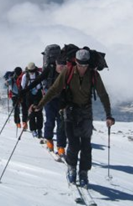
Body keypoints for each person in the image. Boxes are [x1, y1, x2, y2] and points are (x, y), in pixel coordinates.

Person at [30, 49, 115, 187]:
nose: (83, 68)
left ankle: (83, 173)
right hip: (70, 111)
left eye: (85, 65)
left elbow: (103, 95)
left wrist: (109, 115)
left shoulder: (93, 75)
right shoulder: (68, 72)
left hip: (86, 112)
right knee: (74, 144)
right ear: (76, 62)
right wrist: (40, 105)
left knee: (86, 146)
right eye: (80, 65)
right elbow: (54, 89)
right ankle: (72, 168)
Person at [26, 55, 67, 156]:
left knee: (60, 123)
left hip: (61, 101)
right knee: (52, 121)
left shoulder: (67, 72)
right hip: (51, 99)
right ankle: (51, 141)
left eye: (63, 65)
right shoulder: (50, 70)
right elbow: (39, 80)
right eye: (60, 65)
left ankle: (58, 145)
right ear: (56, 63)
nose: (61, 67)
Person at [20, 62, 44, 138]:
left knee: (38, 112)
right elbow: (23, 86)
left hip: (36, 95)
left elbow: (42, 84)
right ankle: (34, 129)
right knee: (32, 113)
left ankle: (39, 129)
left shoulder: (38, 74)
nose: (32, 72)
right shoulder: (25, 76)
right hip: (31, 96)